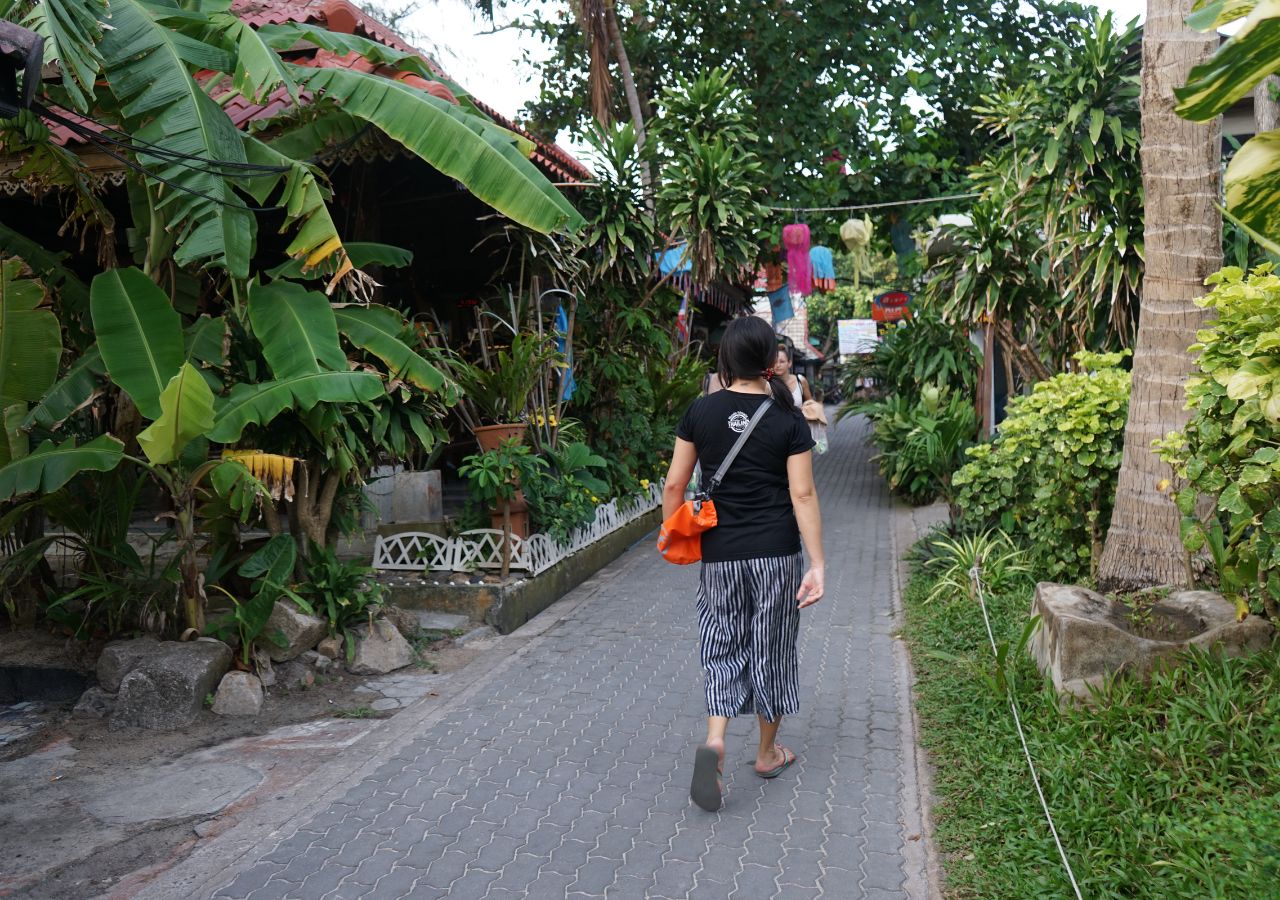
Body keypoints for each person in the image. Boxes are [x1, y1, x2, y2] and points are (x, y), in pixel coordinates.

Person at [662, 315, 826, 813]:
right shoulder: (787, 418)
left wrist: (674, 536)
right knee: (771, 649)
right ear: (769, 361)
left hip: (721, 554)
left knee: (720, 643)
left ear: (726, 360)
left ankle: (715, 742)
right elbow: (802, 493)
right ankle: (765, 753)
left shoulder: (700, 412)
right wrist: (817, 563)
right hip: (776, 555)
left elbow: (674, 485)